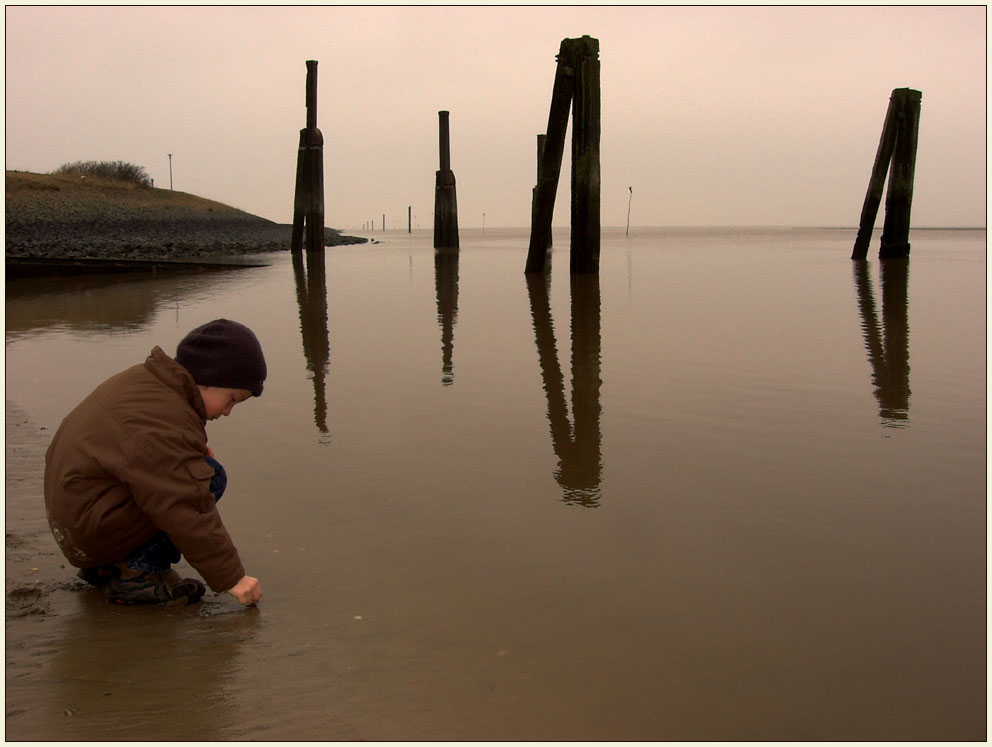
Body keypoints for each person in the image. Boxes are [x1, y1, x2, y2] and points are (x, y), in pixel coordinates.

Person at [43, 318, 266, 607]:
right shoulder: (167, 424)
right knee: (209, 480)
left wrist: (189, 451)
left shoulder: (148, 384)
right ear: (209, 378)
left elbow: (137, 451)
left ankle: (110, 565)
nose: (228, 412)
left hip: (78, 523)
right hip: (89, 533)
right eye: (232, 399)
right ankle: (139, 573)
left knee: (194, 471)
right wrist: (232, 578)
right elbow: (185, 504)